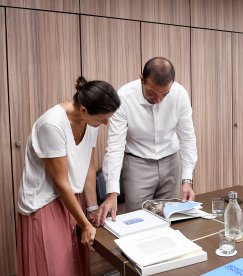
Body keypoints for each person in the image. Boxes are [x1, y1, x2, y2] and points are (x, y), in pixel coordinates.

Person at [17, 76, 121, 276]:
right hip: (44, 202)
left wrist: (91, 209)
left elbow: (87, 167)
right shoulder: (52, 125)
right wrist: (84, 224)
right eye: (103, 119)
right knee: (55, 268)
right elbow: (61, 182)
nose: (106, 123)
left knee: (75, 265)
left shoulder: (90, 122)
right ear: (83, 110)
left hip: (71, 198)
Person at [96, 57, 197, 224]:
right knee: (138, 220)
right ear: (141, 78)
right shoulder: (124, 97)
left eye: (164, 94)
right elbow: (115, 146)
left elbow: (187, 138)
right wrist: (112, 192)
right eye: (152, 93)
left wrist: (187, 180)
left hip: (171, 161)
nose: (157, 100)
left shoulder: (179, 94)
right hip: (137, 163)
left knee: (169, 218)